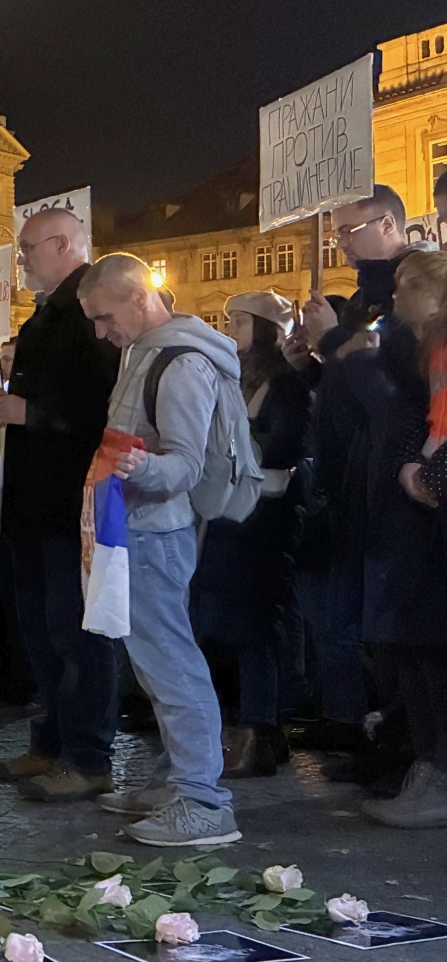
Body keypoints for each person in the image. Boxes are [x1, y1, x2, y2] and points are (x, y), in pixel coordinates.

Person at [76, 252, 245, 846]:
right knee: (157, 662)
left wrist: (139, 465)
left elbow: (184, 466)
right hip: (139, 530)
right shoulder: (148, 354)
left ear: (140, 298)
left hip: (156, 531)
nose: (100, 331)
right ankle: (179, 780)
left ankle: (203, 800)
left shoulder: (178, 363)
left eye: (103, 317)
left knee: (170, 663)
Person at [0, 208, 123, 802]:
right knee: (42, 631)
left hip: (70, 503)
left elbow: (104, 414)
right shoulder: (46, 316)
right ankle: (51, 743)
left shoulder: (91, 315)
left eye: (29, 250)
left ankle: (87, 756)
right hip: (34, 500)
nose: (22, 262)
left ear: (64, 244)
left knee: (76, 633)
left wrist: (31, 413)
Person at [301, 185, 423, 763]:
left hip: (391, 485)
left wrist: (332, 339)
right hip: (349, 481)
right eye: (335, 234)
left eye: (348, 232)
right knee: (358, 624)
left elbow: (392, 397)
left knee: (396, 634)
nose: (340, 244)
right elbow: (345, 387)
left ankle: (404, 751)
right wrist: (312, 363)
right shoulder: (361, 299)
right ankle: (370, 735)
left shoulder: (411, 297)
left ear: (389, 225)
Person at [192, 291, 312, 778]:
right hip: (228, 511)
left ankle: (261, 727)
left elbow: (285, 444)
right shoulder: (236, 379)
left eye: (240, 321)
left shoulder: (285, 383)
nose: (231, 329)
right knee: (220, 622)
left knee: (256, 626)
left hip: (265, 516)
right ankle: (245, 725)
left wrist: (232, 446)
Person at [363, 251, 447, 824]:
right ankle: (428, 767)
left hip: (433, 522)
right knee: (414, 650)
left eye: (412, 284)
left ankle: (438, 775)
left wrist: (429, 476)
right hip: (416, 519)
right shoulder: (416, 352)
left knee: (431, 651)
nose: (399, 294)